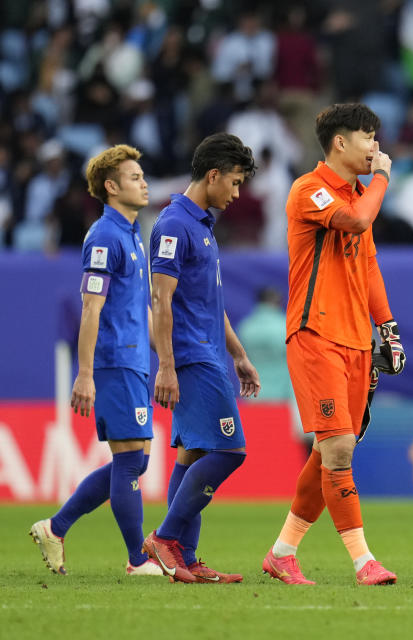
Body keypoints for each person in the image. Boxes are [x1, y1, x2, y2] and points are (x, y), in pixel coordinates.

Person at [262, 103, 404, 587]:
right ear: (340, 143)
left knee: (328, 453)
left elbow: (367, 267)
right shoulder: (309, 190)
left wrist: (386, 327)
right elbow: (356, 223)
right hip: (315, 334)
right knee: (338, 448)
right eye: (368, 138)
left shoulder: (358, 194)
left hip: (356, 342)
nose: (376, 149)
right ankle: (365, 562)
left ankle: (282, 553)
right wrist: (384, 181)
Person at [29, 144, 162, 577]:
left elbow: (137, 304)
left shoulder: (131, 233)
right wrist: (84, 374)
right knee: (129, 461)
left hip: (136, 360)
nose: (143, 183)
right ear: (111, 186)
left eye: (143, 176)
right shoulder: (105, 236)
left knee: (136, 458)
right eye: (134, 177)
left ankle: (56, 527)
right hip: (113, 361)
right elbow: (91, 307)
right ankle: (136, 559)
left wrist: (162, 352)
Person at [142, 133, 260, 584]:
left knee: (192, 454)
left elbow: (211, 303)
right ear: (213, 175)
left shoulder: (202, 227)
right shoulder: (172, 225)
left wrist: (240, 354)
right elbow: (161, 302)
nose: (235, 193)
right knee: (231, 451)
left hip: (210, 351)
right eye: (233, 182)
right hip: (192, 357)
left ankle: (186, 557)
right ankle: (165, 537)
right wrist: (168, 366)